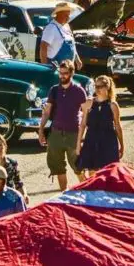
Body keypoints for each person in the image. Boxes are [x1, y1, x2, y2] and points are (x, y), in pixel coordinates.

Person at [38, 60, 88, 191]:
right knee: (58, 167)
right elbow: (47, 112)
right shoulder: (54, 90)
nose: (62, 76)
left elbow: (86, 113)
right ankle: (63, 196)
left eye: (65, 73)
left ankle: (87, 194)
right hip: (56, 134)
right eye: (60, 73)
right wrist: (41, 130)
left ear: (72, 73)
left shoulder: (79, 91)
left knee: (78, 166)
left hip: (73, 134)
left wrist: (84, 133)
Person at [76, 75, 123, 178]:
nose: (97, 89)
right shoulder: (89, 103)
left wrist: (122, 146)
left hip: (108, 142)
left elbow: (118, 126)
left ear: (107, 87)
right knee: (92, 172)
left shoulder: (113, 105)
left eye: (100, 86)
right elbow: (83, 125)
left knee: (108, 173)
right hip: (91, 140)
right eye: (96, 86)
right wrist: (78, 144)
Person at [39, 1, 82, 68]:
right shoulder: (51, 28)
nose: (68, 18)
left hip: (68, 68)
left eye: (69, 15)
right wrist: (44, 66)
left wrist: (77, 59)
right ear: (59, 14)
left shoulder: (67, 26)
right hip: (54, 67)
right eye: (66, 15)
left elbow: (72, 45)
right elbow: (43, 47)